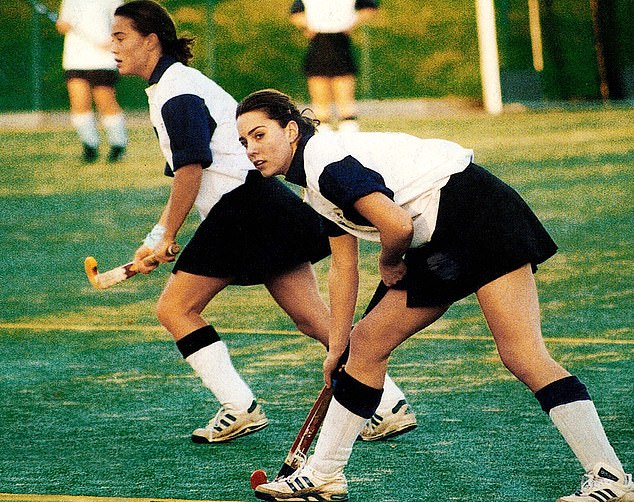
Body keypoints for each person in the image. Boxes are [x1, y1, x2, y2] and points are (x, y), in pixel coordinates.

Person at [235, 89, 633, 502]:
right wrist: (337, 345)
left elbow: (397, 225)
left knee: (522, 354)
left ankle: (610, 478)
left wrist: (390, 262)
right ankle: (324, 475)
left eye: (260, 135)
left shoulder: (326, 165)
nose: (252, 149)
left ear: (292, 130)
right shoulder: (314, 187)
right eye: (244, 141)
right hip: (455, 224)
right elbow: (342, 267)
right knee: (367, 344)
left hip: (475, 216)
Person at [110, 1, 415, 445]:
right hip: (260, 203)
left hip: (244, 209)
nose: (112, 47)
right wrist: (171, 233)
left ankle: (238, 406)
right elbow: (194, 170)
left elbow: (192, 167)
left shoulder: (176, 90)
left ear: (151, 41)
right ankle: (388, 404)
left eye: (120, 37)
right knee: (314, 319)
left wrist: (163, 234)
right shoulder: (171, 87)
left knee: (175, 309)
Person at [289, 0, 378, 133]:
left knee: (345, 100)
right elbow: (296, 14)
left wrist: (350, 23)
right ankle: (324, 136)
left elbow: (369, 8)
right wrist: (309, 26)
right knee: (320, 102)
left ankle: (349, 137)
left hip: (340, 45)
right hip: (319, 45)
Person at [56, 0, 128, 164]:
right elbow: (63, 24)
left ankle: (118, 145)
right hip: (75, 58)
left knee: (105, 102)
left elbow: (122, 25)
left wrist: (112, 40)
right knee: (79, 102)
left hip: (102, 60)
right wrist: (63, 25)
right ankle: (90, 146)